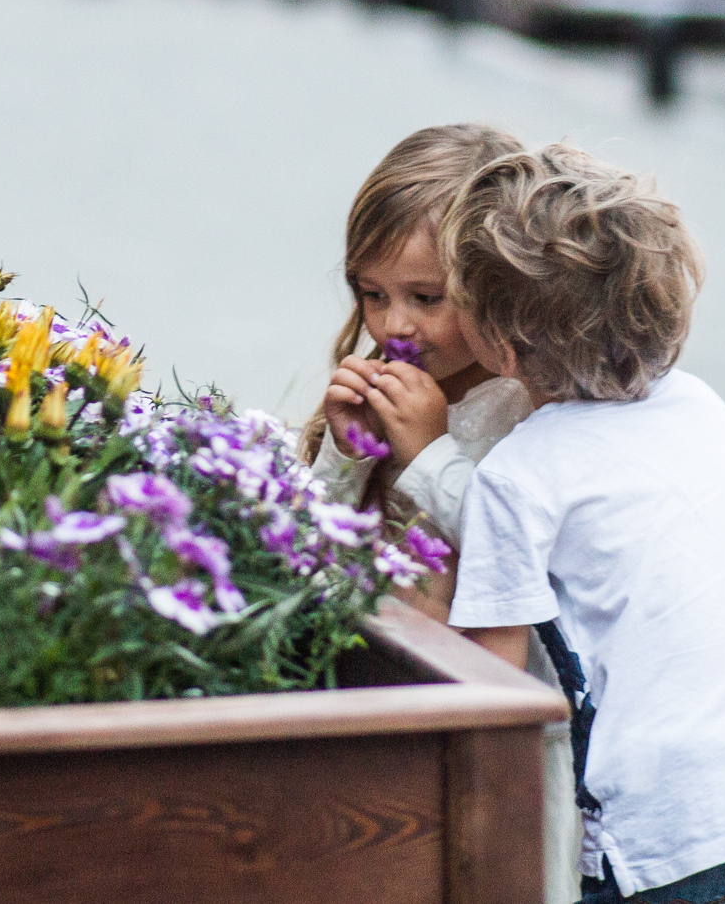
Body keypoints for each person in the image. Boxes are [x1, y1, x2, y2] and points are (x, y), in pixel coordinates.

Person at [443, 143, 725, 904]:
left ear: (502, 345)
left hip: (665, 839)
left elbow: (491, 694)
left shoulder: (518, 474)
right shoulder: (704, 407)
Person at [306, 121, 581, 903]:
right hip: (385, 713)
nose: (394, 325)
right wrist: (344, 454)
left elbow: (524, 561)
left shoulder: (526, 411)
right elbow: (312, 549)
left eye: (427, 298)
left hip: (502, 742)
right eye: (371, 293)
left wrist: (428, 453)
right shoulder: (386, 379)